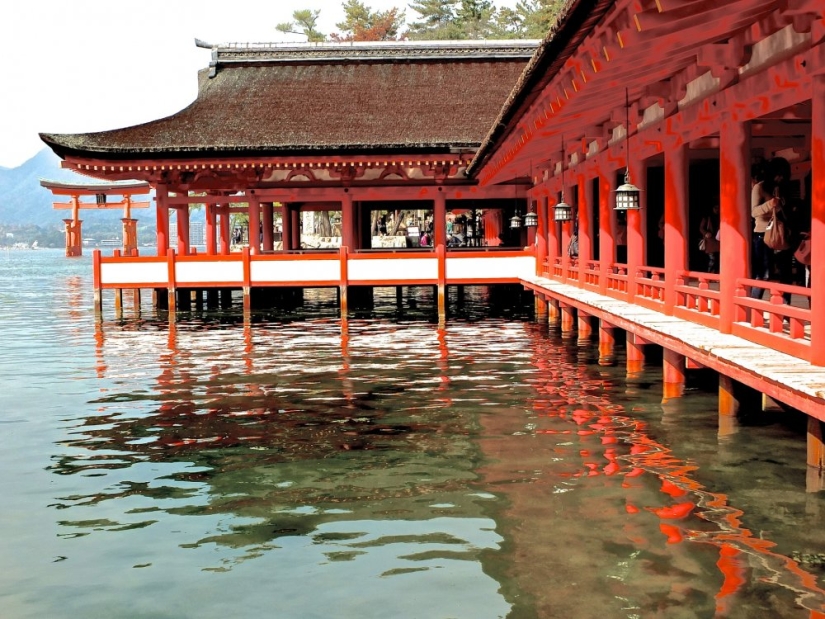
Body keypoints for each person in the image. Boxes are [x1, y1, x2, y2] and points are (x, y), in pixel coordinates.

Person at [699, 204, 720, 273]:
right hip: (710, 240)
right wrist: (706, 233)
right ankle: (710, 274)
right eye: (715, 207)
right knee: (712, 258)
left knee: (718, 259)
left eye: (718, 208)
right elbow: (701, 228)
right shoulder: (707, 217)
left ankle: (716, 274)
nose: (717, 209)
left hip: (718, 239)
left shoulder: (720, 216)